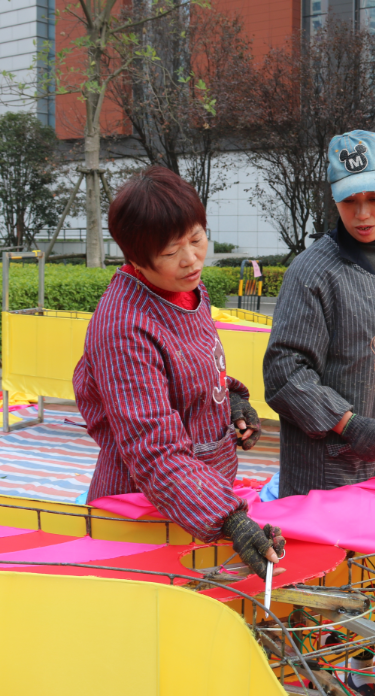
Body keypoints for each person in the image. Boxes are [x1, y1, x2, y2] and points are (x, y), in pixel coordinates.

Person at [73, 166, 284, 580]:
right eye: (171, 252)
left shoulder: (190, 290)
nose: (191, 259)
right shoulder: (124, 327)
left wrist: (232, 402)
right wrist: (230, 519)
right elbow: (155, 449)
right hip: (145, 507)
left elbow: (201, 363)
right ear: (135, 257)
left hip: (202, 494)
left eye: (197, 238)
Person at [263, 130, 375, 498]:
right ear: (334, 200)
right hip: (324, 471)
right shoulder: (313, 272)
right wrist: (347, 424)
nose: (362, 214)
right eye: (349, 201)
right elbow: (285, 371)